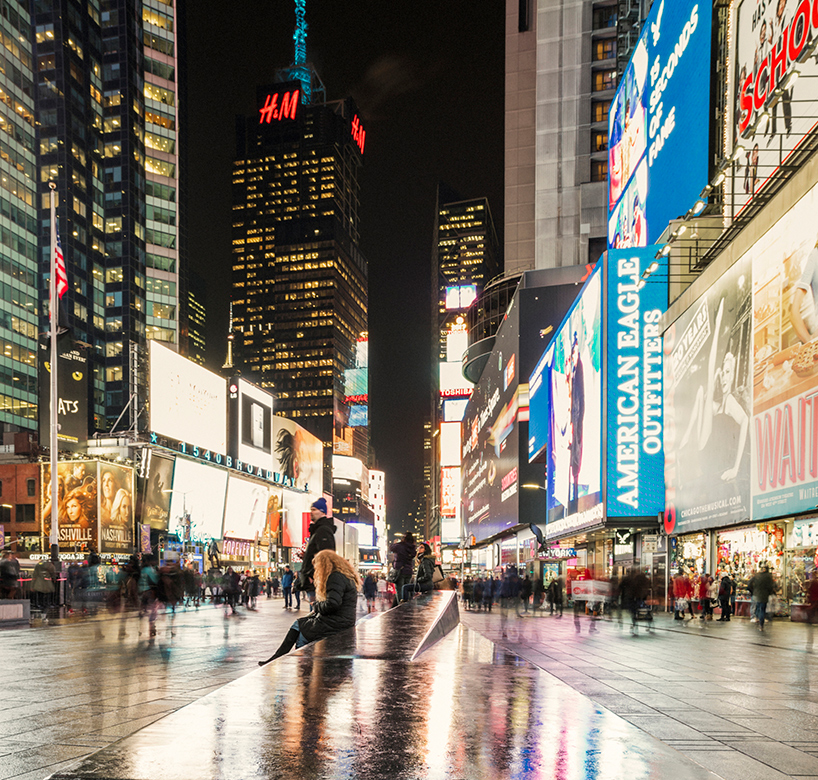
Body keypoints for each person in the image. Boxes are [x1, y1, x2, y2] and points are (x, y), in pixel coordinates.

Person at [259, 550, 361, 664]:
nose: (317, 569)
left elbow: (333, 604)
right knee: (299, 624)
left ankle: (302, 664)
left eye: (317, 565)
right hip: (342, 620)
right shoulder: (345, 576)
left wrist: (316, 605)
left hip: (335, 623)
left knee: (302, 632)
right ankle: (277, 659)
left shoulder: (335, 577)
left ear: (324, 565)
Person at [299, 498, 336, 600]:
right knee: (316, 610)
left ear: (322, 512)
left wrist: (313, 576)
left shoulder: (323, 530)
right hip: (315, 581)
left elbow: (326, 556)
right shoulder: (318, 530)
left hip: (316, 581)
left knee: (318, 610)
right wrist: (306, 557)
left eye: (314, 509)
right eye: (311, 509)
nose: (311, 512)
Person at [390, 533, 417, 607]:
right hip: (409, 570)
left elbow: (391, 548)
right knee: (406, 589)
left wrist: (396, 542)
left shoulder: (400, 546)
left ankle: (401, 607)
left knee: (399, 590)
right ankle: (407, 605)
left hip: (400, 570)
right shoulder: (412, 547)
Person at [138, 554, 160, 638]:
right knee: (154, 607)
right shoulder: (150, 570)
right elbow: (155, 580)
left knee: (142, 607)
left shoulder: (142, 569)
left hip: (140, 590)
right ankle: (152, 625)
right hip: (148, 591)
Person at [749, 565, 776, 631]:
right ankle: (761, 624)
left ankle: (757, 618)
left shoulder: (757, 576)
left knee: (758, 607)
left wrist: (753, 591)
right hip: (764, 595)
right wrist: (770, 593)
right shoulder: (768, 577)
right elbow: (771, 586)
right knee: (762, 609)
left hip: (757, 594)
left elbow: (749, 584)